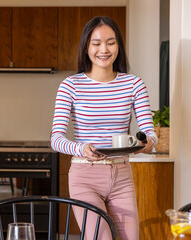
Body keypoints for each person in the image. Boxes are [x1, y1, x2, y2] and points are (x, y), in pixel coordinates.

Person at [51, 16, 157, 240]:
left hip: (122, 175)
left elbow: (150, 135)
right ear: (86, 47)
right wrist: (82, 148)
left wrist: (145, 143)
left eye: (111, 42)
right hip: (85, 174)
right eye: (96, 43)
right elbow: (56, 139)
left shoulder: (134, 84)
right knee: (101, 238)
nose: (104, 49)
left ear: (118, 45)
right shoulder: (70, 85)